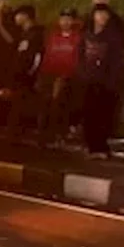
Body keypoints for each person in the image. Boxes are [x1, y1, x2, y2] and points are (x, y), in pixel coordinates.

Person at [77, 5, 124, 158]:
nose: (102, 18)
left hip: (104, 82)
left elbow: (116, 61)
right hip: (88, 80)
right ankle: (90, 145)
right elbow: (80, 56)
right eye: (99, 14)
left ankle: (100, 147)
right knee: (88, 114)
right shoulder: (86, 35)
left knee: (102, 115)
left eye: (105, 15)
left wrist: (112, 82)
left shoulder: (113, 37)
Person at [37, 8, 83, 145]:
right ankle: (43, 134)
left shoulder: (78, 38)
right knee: (44, 102)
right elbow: (47, 57)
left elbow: (77, 60)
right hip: (49, 75)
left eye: (69, 19)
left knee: (58, 101)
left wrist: (65, 76)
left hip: (67, 77)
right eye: (63, 18)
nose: (65, 22)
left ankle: (57, 132)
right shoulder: (53, 37)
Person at [3, 5, 45, 136]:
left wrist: (29, 74)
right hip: (20, 76)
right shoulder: (24, 34)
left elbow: (35, 57)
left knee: (22, 104)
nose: (16, 18)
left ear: (25, 16)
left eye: (18, 15)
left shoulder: (35, 35)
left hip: (26, 77)